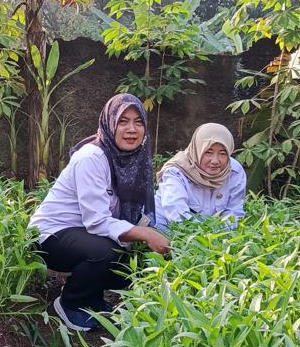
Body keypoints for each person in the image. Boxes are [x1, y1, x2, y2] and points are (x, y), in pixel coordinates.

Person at [29, 94, 171, 332]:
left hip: (83, 235)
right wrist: (146, 234)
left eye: (138, 122)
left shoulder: (133, 158)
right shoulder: (91, 158)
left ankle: (92, 298)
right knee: (105, 252)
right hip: (51, 237)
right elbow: (96, 222)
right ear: (109, 123)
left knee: (127, 268)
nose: (131, 129)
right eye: (123, 121)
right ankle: (70, 302)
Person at [155, 123, 247, 232]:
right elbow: (178, 214)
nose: (215, 161)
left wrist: (219, 232)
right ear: (197, 150)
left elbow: (234, 212)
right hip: (165, 227)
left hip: (209, 232)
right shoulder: (176, 172)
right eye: (208, 152)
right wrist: (204, 235)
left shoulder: (234, 171)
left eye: (222, 153)